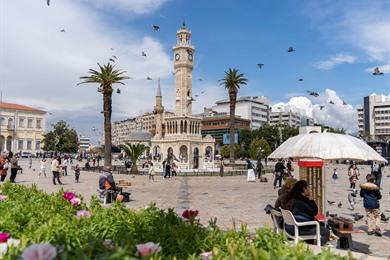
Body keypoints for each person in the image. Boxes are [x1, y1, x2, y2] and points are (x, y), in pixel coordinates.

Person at [284, 180, 330, 246]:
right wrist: (312, 200)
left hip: (290, 227)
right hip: (298, 229)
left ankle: (310, 244)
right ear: (304, 189)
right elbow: (314, 212)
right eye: (308, 188)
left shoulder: (292, 198)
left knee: (320, 225)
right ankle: (316, 248)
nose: (309, 190)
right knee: (326, 232)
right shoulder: (301, 201)